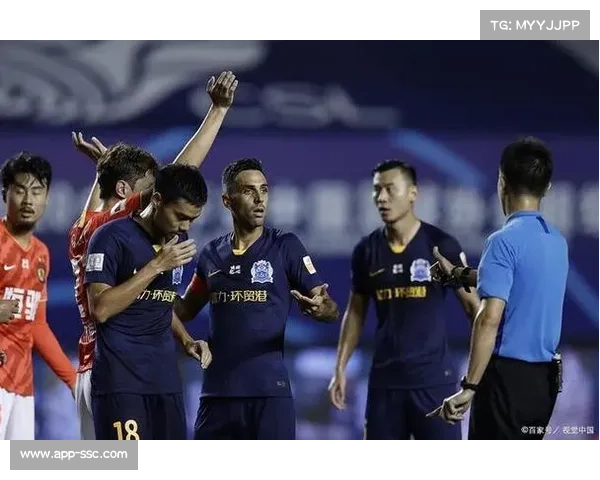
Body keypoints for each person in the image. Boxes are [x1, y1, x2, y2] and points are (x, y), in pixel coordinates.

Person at [68, 70, 238, 440]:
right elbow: (182, 172)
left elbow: (101, 199)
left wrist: (102, 171)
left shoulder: (83, 227)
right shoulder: (112, 228)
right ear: (127, 192)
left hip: (90, 368)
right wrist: (217, 112)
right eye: (147, 187)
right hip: (115, 371)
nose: (151, 193)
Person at [174, 158, 339, 440]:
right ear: (227, 201)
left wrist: (321, 308)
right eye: (249, 191)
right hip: (217, 395)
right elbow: (184, 310)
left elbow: (329, 308)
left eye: (264, 190)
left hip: (269, 395)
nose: (260, 199)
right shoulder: (211, 254)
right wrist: (152, 282)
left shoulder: (285, 246)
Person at [328, 160, 480, 440]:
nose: (382, 198)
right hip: (385, 385)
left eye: (390, 189)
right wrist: (340, 367)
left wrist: (476, 377)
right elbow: (356, 312)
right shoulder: (366, 250)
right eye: (377, 190)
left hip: (435, 384)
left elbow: (475, 309)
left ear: (413, 193)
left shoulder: (440, 245)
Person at [427, 137, 568, 440]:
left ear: (502, 181)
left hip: (505, 380)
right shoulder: (557, 241)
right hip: (543, 384)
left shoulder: (502, 241)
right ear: (546, 187)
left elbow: (489, 318)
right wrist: (460, 275)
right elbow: (520, 280)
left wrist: (469, 386)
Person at [83, 164, 212, 440]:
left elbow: (161, 303)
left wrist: (186, 340)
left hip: (166, 382)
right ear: (157, 200)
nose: (185, 226)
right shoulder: (109, 238)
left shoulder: (177, 240)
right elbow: (101, 309)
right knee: (130, 463)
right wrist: (156, 266)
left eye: (193, 219)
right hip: (121, 383)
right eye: (180, 216)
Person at [0, 152, 77, 440]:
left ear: (47, 198)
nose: (28, 200)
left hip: (22, 385)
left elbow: (37, 325)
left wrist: (73, 380)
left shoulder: (41, 253)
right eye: (20, 190)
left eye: (36, 191)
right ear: (5, 194)